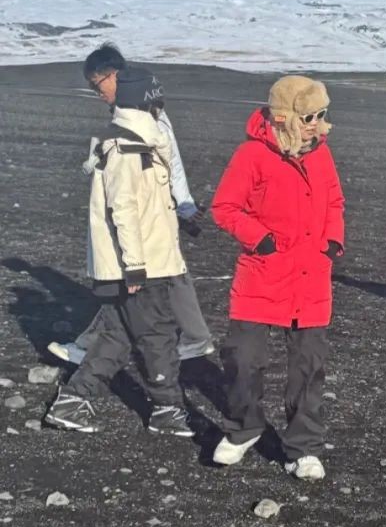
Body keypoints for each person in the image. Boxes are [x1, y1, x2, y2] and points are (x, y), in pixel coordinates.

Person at [44, 66, 193, 436]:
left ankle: (72, 402)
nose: (160, 106)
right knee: (157, 334)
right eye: (155, 99)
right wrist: (136, 266)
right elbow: (123, 209)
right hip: (143, 263)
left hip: (142, 259)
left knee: (118, 334)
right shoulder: (129, 147)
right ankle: (168, 409)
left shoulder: (133, 142)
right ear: (145, 101)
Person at [210, 76, 345, 480]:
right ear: (284, 115)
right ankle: (244, 427)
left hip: (310, 278)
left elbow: (335, 199)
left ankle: (303, 448)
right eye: (309, 116)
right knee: (242, 358)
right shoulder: (252, 155)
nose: (316, 123)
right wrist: (261, 240)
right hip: (263, 273)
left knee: (308, 366)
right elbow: (225, 206)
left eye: (321, 115)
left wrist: (333, 241)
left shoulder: (321, 153)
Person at [46, 44, 215, 366]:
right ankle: (196, 337)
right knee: (166, 275)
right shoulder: (135, 111)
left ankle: (89, 347)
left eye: (98, 83)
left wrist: (184, 203)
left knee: (128, 279)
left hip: (149, 210)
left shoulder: (148, 116)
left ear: (116, 76)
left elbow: (171, 159)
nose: (97, 91)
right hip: (155, 208)